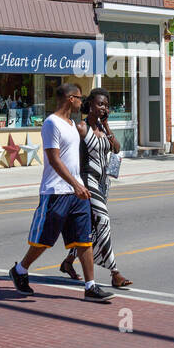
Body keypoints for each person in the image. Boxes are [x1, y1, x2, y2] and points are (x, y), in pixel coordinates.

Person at [8, 83, 114, 302]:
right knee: (44, 240)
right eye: (79, 98)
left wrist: (81, 183)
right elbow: (54, 159)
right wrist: (75, 184)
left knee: (84, 240)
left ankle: (90, 286)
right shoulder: (51, 123)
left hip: (77, 193)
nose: (81, 103)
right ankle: (20, 270)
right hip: (56, 191)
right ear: (70, 99)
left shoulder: (73, 124)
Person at [59, 88, 132, 289]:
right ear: (90, 105)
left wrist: (107, 125)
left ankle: (68, 262)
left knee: (90, 227)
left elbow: (116, 148)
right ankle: (114, 272)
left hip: (103, 183)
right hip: (87, 181)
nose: (103, 108)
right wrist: (74, 183)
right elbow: (70, 155)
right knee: (103, 220)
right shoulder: (82, 128)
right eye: (100, 104)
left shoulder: (102, 127)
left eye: (106, 105)